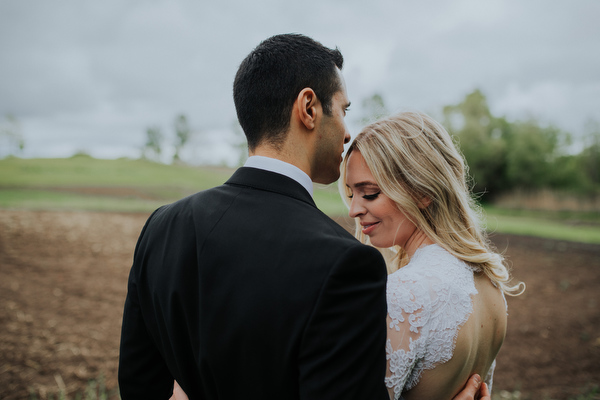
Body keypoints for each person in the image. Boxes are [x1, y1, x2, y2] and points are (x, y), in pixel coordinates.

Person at [119, 33, 491, 400]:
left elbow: (140, 386)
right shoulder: (345, 264)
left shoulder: (161, 227)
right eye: (344, 110)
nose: (347, 134)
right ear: (309, 108)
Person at [340, 111, 525, 400]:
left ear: (423, 192)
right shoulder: (491, 285)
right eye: (352, 194)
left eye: (371, 193)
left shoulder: (405, 294)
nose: (354, 210)